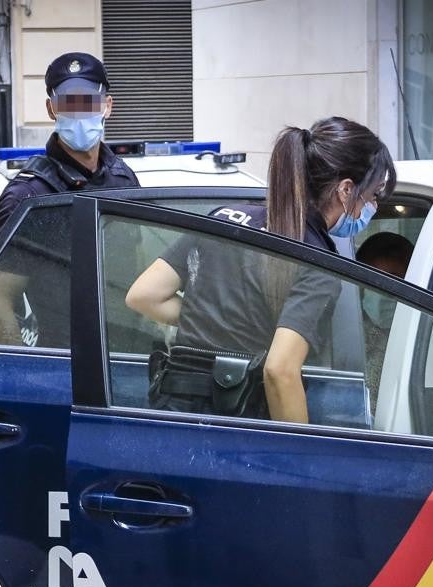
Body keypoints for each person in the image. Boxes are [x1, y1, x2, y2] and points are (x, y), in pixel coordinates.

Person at [126, 116, 395, 423]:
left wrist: (214, 318)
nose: (371, 207)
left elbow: (145, 296)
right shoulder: (315, 261)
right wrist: (297, 458)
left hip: (172, 414)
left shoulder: (226, 218)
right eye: (372, 195)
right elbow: (280, 371)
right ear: (346, 190)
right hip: (236, 424)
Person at [0, 52, 140, 347]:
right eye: (68, 104)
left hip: (130, 355)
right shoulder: (29, 194)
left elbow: (140, 270)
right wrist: (24, 369)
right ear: (51, 109)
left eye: (88, 102)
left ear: (107, 106)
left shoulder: (124, 180)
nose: (79, 114)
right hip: (62, 362)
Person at [355, 232, 415, 412]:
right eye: (374, 281)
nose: (382, 293)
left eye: (393, 280)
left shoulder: (419, 338)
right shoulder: (347, 331)